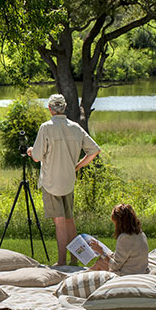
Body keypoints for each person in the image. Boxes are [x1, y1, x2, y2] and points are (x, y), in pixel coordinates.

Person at [27, 94, 101, 266]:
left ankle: (61, 263)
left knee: (59, 223)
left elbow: (37, 157)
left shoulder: (46, 127)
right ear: (65, 107)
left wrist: (31, 151)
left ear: (50, 109)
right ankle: (74, 260)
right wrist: (77, 166)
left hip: (51, 182)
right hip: (68, 181)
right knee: (69, 221)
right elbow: (94, 151)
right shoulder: (75, 128)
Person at [89, 204, 149, 275]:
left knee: (101, 261)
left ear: (119, 223)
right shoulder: (141, 234)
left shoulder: (125, 238)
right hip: (141, 270)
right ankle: (87, 273)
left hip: (128, 274)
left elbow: (115, 266)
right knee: (103, 259)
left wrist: (101, 251)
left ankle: (84, 276)